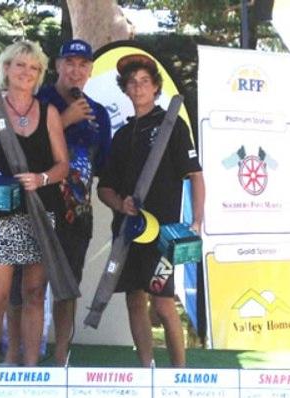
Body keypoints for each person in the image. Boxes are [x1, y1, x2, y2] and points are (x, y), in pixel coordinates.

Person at [5, 39, 111, 366]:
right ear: (57, 66)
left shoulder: (99, 114)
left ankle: (62, 354)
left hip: (75, 214)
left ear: (91, 71)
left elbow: (103, 168)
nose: (76, 71)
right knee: (21, 286)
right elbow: (20, 148)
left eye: (83, 65)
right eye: (70, 63)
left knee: (66, 288)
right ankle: (14, 354)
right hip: (31, 207)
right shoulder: (38, 100)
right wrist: (63, 120)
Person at [0, 40, 69, 366]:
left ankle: (30, 369)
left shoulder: (49, 112)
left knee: (35, 293)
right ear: (6, 69)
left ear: (39, 75)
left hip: (41, 211)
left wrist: (41, 179)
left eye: (34, 67)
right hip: (1, 215)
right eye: (20, 65)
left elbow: (62, 165)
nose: (26, 72)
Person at [97, 53, 205, 368]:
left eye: (145, 81)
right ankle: (146, 368)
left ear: (156, 87)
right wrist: (121, 204)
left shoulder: (172, 125)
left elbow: (196, 175)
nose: (139, 87)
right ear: (126, 90)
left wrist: (196, 222)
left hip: (165, 235)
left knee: (163, 303)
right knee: (134, 299)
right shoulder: (121, 136)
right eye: (133, 82)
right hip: (129, 233)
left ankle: (180, 373)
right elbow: (105, 189)